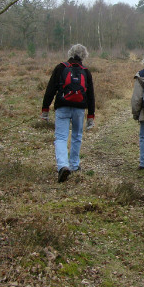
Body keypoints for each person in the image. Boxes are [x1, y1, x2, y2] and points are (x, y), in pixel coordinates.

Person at [41, 44, 96, 183]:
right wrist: (91, 116)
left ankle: (62, 166)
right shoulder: (86, 71)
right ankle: (74, 165)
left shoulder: (61, 68)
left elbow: (50, 89)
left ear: (70, 53)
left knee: (60, 138)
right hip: (79, 109)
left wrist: (45, 109)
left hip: (62, 106)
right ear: (84, 56)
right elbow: (90, 96)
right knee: (77, 136)